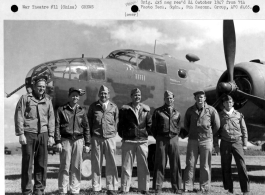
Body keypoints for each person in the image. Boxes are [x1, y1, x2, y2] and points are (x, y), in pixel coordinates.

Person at [14, 75, 55, 195]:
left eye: (43, 87)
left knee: (42, 164)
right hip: (29, 134)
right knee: (27, 164)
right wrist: (21, 133)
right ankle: (27, 191)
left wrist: (51, 135)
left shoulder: (48, 100)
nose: (41, 88)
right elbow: (19, 116)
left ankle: (39, 190)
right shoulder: (25, 98)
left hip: (43, 134)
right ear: (34, 87)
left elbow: (51, 119)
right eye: (39, 86)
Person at [55, 87, 91, 195]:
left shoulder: (82, 110)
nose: (75, 97)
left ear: (78, 97)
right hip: (66, 140)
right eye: (73, 95)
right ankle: (62, 190)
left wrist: (88, 143)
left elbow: (86, 128)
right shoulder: (61, 110)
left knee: (76, 166)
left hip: (79, 141)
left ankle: (75, 190)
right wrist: (57, 141)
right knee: (64, 166)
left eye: (77, 96)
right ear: (69, 96)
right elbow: (56, 126)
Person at [183, 90, 220, 193]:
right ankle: (188, 186)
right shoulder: (190, 110)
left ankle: (204, 187)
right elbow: (186, 125)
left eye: (202, 97)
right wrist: (193, 132)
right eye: (198, 97)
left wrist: (208, 133)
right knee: (190, 163)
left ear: (205, 98)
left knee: (205, 165)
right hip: (193, 140)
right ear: (195, 98)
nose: (200, 98)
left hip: (206, 140)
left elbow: (217, 125)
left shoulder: (211, 110)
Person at [118, 88, 152, 194]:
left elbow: (149, 125)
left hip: (142, 141)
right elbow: (120, 126)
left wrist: (145, 135)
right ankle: (124, 188)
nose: (137, 97)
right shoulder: (124, 110)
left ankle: (144, 188)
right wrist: (125, 135)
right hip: (129, 141)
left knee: (143, 167)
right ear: (131, 96)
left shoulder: (146, 110)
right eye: (135, 95)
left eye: (139, 95)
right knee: (126, 167)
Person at [214, 95, 250, 195]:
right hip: (225, 143)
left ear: (233, 103)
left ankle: (245, 190)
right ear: (223, 104)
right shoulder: (219, 115)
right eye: (226, 102)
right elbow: (216, 132)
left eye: (230, 102)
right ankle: (229, 189)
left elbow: (244, 130)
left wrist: (245, 144)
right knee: (226, 167)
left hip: (237, 142)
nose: (228, 104)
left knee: (241, 166)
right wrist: (216, 145)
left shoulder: (239, 115)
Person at [87, 85, 119, 195]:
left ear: (108, 95)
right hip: (96, 138)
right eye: (101, 93)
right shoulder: (93, 107)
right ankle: (96, 188)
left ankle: (112, 187)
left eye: (105, 93)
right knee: (96, 164)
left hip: (110, 138)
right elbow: (89, 123)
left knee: (111, 163)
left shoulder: (114, 107)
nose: (103, 95)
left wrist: (112, 134)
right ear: (98, 94)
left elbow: (116, 122)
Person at [151, 90, 182, 195]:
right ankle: (158, 187)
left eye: (171, 98)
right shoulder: (158, 112)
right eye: (167, 98)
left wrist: (175, 135)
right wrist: (159, 137)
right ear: (164, 99)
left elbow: (178, 127)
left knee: (175, 163)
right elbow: (153, 128)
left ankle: (176, 187)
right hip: (161, 139)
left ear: (173, 99)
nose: (169, 100)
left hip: (173, 139)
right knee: (160, 163)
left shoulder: (177, 113)